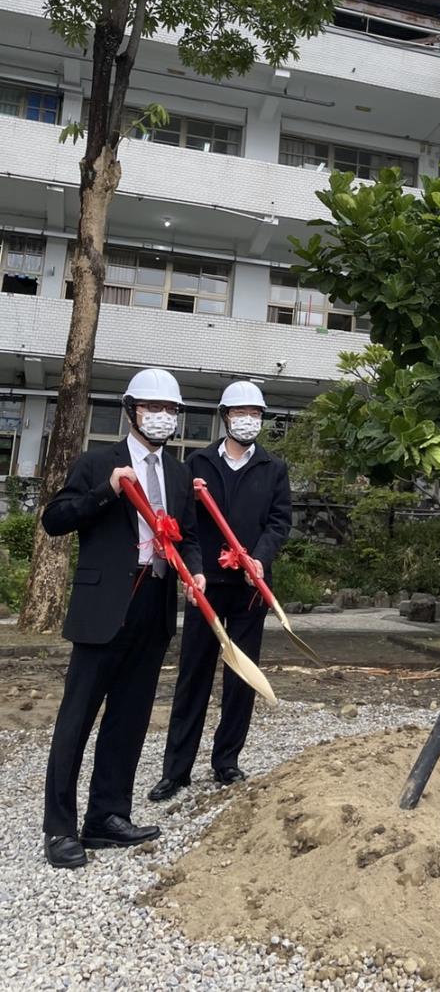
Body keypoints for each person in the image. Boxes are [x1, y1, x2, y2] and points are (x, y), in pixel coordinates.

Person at [41, 368, 204, 870]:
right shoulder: (98, 462)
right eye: (152, 407)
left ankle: (107, 816)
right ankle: (60, 830)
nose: (162, 416)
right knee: (77, 719)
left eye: (170, 409)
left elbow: (190, 537)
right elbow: (55, 519)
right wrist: (108, 491)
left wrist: (195, 576)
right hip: (103, 607)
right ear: (131, 410)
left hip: (153, 605)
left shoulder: (177, 474)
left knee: (130, 719)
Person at [149, 381, 291, 801]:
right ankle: (176, 770)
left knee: (241, 676)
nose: (248, 420)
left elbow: (279, 522)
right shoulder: (197, 463)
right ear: (225, 415)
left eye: (256, 414)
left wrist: (260, 558)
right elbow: (183, 525)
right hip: (206, 585)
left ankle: (226, 761)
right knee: (193, 674)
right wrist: (193, 571)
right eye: (240, 413)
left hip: (250, 586)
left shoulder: (272, 467)